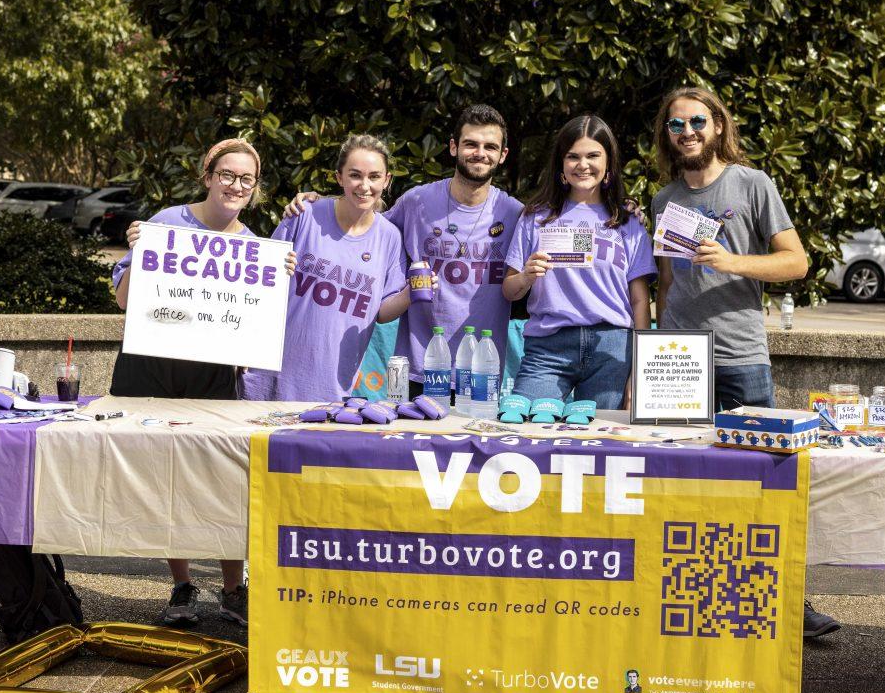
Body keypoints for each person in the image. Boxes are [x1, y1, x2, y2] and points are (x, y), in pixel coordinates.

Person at [648, 85, 838, 638]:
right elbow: (665, 282)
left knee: (766, 483)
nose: (687, 133)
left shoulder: (753, 184)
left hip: (740, 356)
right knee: (683, 481)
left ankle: (790, 605)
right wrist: (651, 353)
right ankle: (683, 598)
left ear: (718, 125)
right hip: (678, 361)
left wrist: (731, 261)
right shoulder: (664, 201)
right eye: (676, 125)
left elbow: (796, 262)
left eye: (697, 122)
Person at [112, 137, 293, 628]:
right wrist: (137, 253)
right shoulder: (167, 223)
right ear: (208, 176)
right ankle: (183, 584)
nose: (236, 185)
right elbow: (126, 301)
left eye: (247, 179)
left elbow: (258, 325)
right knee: (170, 478)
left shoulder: (257, 247)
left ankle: (234, 589)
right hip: (152, 364)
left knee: (220, 478)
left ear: (254, 189)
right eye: (228, 175)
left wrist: (279, 280)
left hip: (213, 373)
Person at [285, 105, 523, 397]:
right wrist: (323, 204)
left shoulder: (515, 214)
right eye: (470, 144)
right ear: (453, 147)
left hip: (480, 368)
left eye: (490, 146)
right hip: (418, 367)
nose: (479, 153)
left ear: (503, 155)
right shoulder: (417, 201)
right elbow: (364, 225)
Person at [240, 134, 410, 401]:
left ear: (387, 180)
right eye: (355, 175)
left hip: (330, 386)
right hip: (269, 376)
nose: (364, 185)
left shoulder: (390, 237)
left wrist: (411, 293)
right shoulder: (304, 213)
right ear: (339, 177)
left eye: (374, 176)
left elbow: (382, 312)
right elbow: (261, 280)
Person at [502, 115, 654, 409]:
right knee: (528, 428)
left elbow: (639, 301)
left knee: (603, 441)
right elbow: (509, 291)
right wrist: (526, 276)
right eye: (573, 156)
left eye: (593, 155)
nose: (583, 165)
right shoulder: (536, 216)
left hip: (612, 348)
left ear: (608, 162)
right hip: (548, 346)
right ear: (561, 164)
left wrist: (640, 371)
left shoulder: (628, 221)